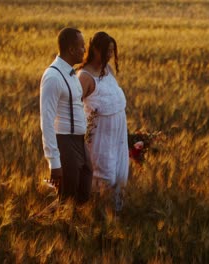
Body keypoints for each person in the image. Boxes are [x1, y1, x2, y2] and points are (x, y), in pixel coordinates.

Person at [40, 27, 92, 204]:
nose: (85, 50)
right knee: (67, 197)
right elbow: (46, 120)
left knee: (83, 193)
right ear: (71, 49)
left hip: (79, 141)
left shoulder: (72, 74)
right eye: (81, 46)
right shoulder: (53, 77)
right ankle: (53, 228)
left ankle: (73, 229)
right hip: (65, 141)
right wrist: (54, 162)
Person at [78, 31, 128, 211]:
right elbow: (74, 107)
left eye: (112, 51)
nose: (110, 55)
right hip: (100, 135)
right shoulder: (84, 76)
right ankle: (99, 214)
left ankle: (115, 216)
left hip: (117, 133)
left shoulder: (108, 69)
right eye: (107, 51)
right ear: (96, 50)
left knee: (119, 173)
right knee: (105, 176)